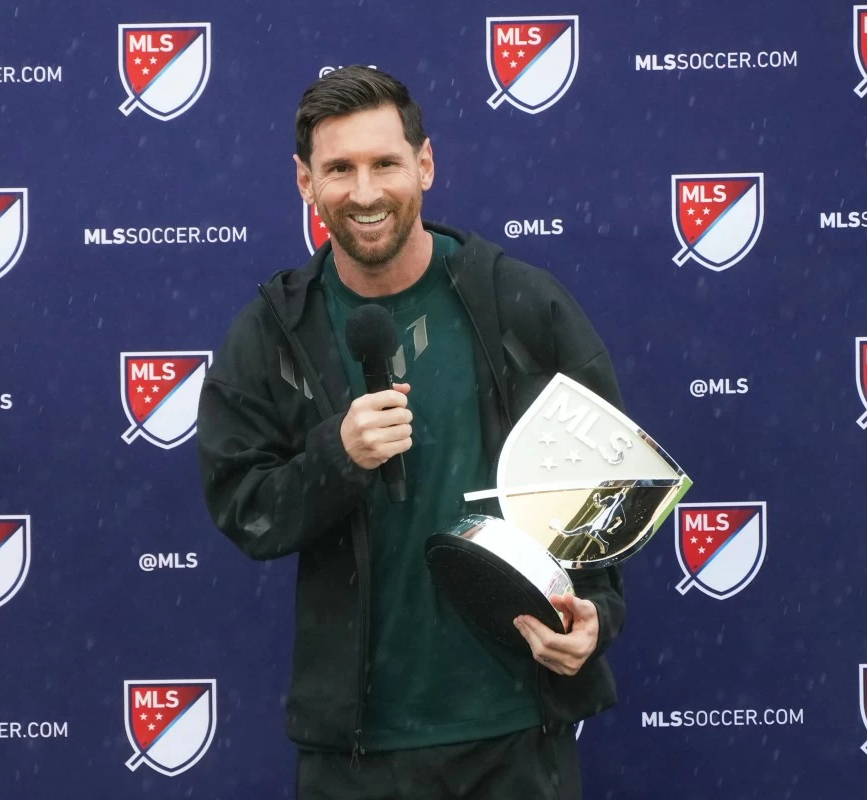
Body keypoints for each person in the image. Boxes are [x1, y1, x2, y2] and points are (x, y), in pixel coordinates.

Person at [197, 66, 626, 800]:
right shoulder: (274, 330)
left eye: (385, 164)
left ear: (425, 165)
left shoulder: (521, 304)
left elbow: (606, 489)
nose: (364, 193)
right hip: (357, 753)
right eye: (339, 169)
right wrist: (338, 455)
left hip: (514, 734)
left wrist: (594, 618)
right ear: (305, 182)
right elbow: (243, 505)